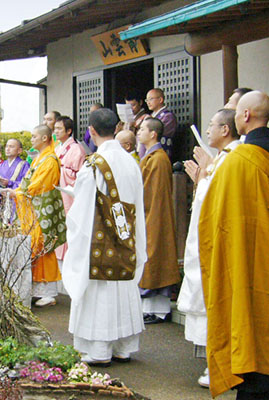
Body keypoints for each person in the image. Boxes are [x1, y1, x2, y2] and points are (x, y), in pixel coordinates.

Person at [199, 90, 269, 399]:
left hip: (244, 270)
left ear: (245, 116)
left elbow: (213, 225)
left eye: (237, 112)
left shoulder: (233, 164)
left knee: (248, 335)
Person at [62, 107, 147, 366]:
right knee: (123, 285)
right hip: (126, 234)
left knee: (99, 291)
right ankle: (124, 346)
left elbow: (84, 207)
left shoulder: (94, 165)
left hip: (98, 237)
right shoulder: (131, 162)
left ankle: (99, 349)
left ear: (91, 131)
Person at [178, 109, 241, 388]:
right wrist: (202, 175)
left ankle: (220, 366)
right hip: (206, 239)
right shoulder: (223, 158)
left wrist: (202, 174)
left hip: (219, 241)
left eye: (213, 125)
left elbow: (214, 196)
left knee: (215, 300)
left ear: (226, 130)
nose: (208, 131)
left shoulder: (232, 158)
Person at [6, 125, 62, 307]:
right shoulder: (39, 158)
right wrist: (17, 191)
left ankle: (49, 291)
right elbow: (29, 181)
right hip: (33, 208)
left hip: (42, 208)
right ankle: (38, 289)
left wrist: (20, 193)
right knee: (34, 246)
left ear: (45, 138)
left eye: (34, 136)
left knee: (43, 245)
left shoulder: (50, 160)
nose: (31, 140)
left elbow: (41, 184)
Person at [136, 117, 179, 324]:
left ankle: (160, 310)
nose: (139, 131)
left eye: (143, 128)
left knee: (156, 257)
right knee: (149, 259)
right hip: (148, 213)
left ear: (153, 134)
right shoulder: (150, 156)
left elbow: (155, 194)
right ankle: (150, 309)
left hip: (155, 214)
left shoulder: (159, 159)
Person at [54, 116, 86, 264]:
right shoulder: (57, 147)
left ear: (69, 131)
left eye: (60, 128)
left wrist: (62, 170)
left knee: (70, 220)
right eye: (55, 128)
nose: (56, 131)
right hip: (58, 190)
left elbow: (79, 174)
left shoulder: (76, 148)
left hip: (69, 192)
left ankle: (71, 255)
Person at [0, 138, 30, 212]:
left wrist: (9, 183)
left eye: (11, 147)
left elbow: (26, 184)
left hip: (15, 201)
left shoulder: (24, 165)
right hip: (2, 201)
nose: (8, 149)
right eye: (7, 146)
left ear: (19, 151)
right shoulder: (1, 165)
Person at [141, 88, 177, 159]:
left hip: (158, 156)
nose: (148, 102)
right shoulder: (150, 116)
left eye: (151, 99)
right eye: (147, 100)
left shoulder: (167, 116)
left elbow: (157, 135)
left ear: (160, 100)